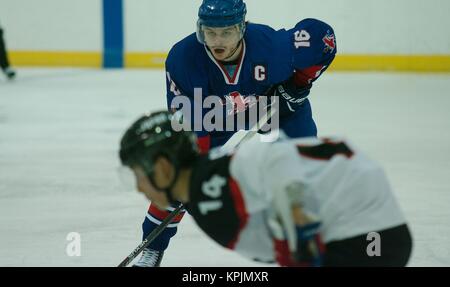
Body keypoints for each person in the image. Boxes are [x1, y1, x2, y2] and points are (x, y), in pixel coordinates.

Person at [138, 0, 337, 266]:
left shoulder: (272, 46)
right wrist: (198, 175)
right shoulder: (183, 60)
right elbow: (190, 129)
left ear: (242, 28)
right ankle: (152, 246)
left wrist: (298, 86)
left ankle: (309, 243)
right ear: (200, 30)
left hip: (275, 111)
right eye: (210, 32)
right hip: (213, 118)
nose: (217, 41)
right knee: (176, 175)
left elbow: (323, 39)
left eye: (227, 32)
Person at [119, 111, 413, 267]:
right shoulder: (203, 190)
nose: (138, 188)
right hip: (370, 232)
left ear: (163, 168)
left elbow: (277, 153)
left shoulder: (212, 184)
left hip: (365, 234)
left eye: (137, 174)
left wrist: (298, 220)